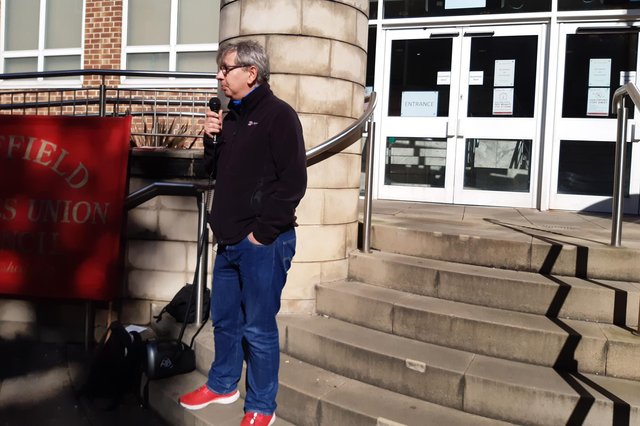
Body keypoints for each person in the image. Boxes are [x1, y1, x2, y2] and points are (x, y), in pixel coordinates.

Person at [178, 40, 307, 426]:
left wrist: (262, 234)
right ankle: (222, 384)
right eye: (219, 69)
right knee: (225, 319)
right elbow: (209, 173)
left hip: (262, 244)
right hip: (229, 241)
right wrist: (210, 139)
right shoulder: (230, 117)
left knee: (259, 327)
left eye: (225, 69)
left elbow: (293, 182)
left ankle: (262, 406)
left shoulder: (279, 116)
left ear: (251, 73)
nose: (219, 76)